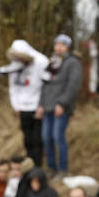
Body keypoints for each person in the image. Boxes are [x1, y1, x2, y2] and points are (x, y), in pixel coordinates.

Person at [0, 40, 49, 166]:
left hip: (37, 106)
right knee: (27, 139)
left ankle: (38, 166)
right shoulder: (15, 65)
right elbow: (13, 88)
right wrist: (16, 106)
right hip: (23, 108)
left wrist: (42, 105)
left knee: (37, 139)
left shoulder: (41, 61)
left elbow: (47, 86)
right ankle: (29, 165)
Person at [37, 34, 81, 177]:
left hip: (61, 107)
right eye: (57, 44)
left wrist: (62, 103)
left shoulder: (72, 62)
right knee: (46, 137)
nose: (59, 47)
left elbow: (73, 86)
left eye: (62, 45)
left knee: (58, 137)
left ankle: (63, 169)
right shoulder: (51, 63)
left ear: (67, 47)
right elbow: (44, 85)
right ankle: (51, 168)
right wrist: (41, 105)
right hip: (47, 106)